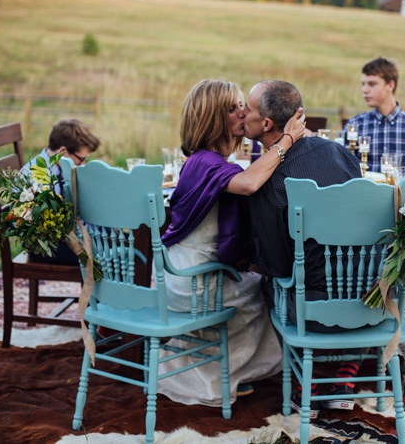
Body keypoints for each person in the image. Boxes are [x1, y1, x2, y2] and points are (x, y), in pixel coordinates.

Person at [156, 79, 305, 407]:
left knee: (260, 283)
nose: (243, 112)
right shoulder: (205, 162)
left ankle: (223, 365)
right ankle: (217, 372)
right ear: (212, 118)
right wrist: (286, 141)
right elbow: (250, 184)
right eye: (233, 107)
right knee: (267, 292)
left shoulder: (210, 161)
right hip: (191, 277)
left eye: (242, 105)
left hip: (188, 270)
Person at [242, 80, 365, 417]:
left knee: (272, 282)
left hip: (311, 310)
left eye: (248, 110)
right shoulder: (342, 153)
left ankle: (303, 380)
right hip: (369, 302)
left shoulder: (268, 180)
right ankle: (347, 374)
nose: (242, 114)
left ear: (267, 124)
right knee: (353, 270)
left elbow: (279, 265)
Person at [20, 118, 101, 265]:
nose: (83, 164)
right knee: (106, 254)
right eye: (81, 159)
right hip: (46, 245)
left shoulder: (61, 166)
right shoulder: (38, 177)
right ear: (63, 152)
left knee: (112, 236)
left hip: (68, 234)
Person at [343, 56, 405, 173]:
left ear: (390, 85)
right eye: (363, 84)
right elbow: (344, 172)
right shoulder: (355, 125)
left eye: (372, 84)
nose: (364, 90)